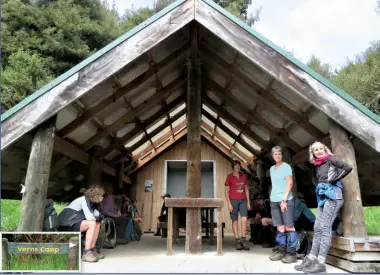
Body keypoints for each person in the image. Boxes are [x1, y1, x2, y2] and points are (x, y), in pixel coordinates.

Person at [295, 141, 352, 273]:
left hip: (334, 197)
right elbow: (315, 179)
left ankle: (321, 263)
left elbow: (348, 167)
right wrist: (319, 186)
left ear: (325, 150)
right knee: (317, 227)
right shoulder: (317, 165)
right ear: (313, 153)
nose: (319, 151)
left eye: (321, 148)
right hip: (323, 198)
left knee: (325, 228)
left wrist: (335, 179)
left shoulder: (331, 160)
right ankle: (312, 259)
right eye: (316, 150)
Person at [57, 185, 105, 263]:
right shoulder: (83, 199)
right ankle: (87, 252)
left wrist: (100, 218)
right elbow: (89, 217)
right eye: (101, 195)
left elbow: (97, 215)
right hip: (66, 224)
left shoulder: (92, 204)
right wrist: (97, 218)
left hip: (74, 223)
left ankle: (92, 250)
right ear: (96, 195)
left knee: (97, 224)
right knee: (92, 223)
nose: (102, 198)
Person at [269, 146, 297, 263]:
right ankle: (281, 251)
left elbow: (290, 184)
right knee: (280, 227)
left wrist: (284, 200)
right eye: (275, 154)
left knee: (289, 227)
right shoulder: (271, 169)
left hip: (285, 200)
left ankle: (292, 254)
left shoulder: (286, 167)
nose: (277, 156)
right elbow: (274, 184)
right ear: (273, 155)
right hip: (274, 200)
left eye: (279, 154)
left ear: (282, 155)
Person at [225, 160, 251, 250]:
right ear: (233, 167)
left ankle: (244, 240)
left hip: (243, 200)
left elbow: (246, 189)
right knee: (235, 221)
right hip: (233, 200)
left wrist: (248, 202)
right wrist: (229, 203)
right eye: (235, 166)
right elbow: (226, 191)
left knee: (244, 219)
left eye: (238, 166)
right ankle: (237, 241)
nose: (237, 167)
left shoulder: (244, 176)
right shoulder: (229, 177)